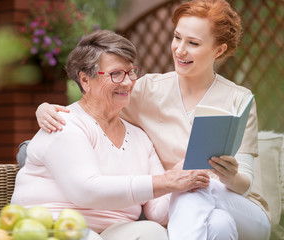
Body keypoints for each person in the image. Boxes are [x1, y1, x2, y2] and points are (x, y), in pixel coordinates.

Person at [34, 0, 271, 239]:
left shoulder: (239, 99)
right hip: (182, 206)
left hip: (241, 206)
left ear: (218, 50)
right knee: (218, 223)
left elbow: (245, 184)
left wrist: (228, 176)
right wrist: (43, 110)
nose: (180, 50)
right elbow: (98, 105)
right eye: (177, 37)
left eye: (193, 43)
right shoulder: (147, 90)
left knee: (195, 188)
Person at [11, 29, 210, 240]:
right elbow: (87, 191)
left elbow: (157, 212)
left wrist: (186, 175)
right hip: (49, 227)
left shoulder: (139, 137)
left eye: (131, 71)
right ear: (85, 80)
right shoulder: (63, 123)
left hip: (110, 232)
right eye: (116, 74)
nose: (127, 82)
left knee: (153, 232)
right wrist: (167, 181)